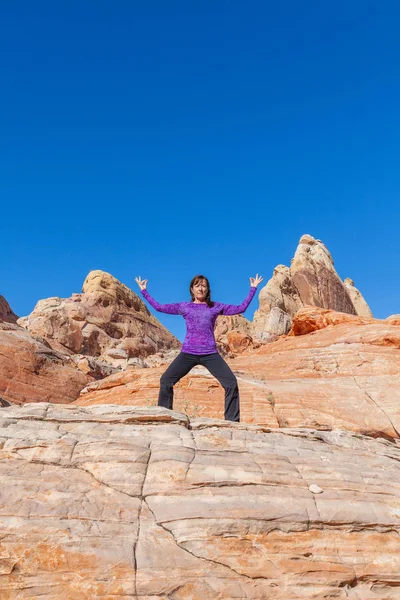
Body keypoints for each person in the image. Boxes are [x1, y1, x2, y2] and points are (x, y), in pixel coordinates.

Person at [135, 273, 263, 422]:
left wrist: (253, 288)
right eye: (197, 285)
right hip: (188, 352)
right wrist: (144, 291)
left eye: (204, 286)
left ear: (208, 289)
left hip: (210, 353)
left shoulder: (215, 307)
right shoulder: (185, 307)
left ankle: (232, 422)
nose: (201, 289)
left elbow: (241, 308)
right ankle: (165, 418)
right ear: (192, 289)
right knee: (166, 380)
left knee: (231, 383)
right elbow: (159, 307)